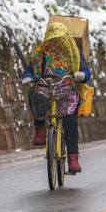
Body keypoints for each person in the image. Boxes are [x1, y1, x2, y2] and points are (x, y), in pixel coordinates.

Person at [21, 22, 91, 173]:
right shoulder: (42, 52)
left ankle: (73, 159)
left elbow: (86, 71)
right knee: (36, 97)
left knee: (70, 122)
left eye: (59, 38)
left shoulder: (74, 51)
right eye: (53, 39)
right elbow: (30, 70)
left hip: (67, 88)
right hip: (47, 86)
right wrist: (27, 78)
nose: (56, 42)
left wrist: (82, 75)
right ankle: (40, 129)